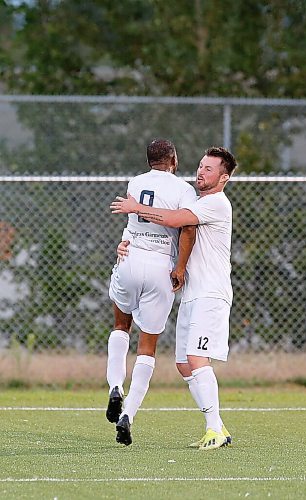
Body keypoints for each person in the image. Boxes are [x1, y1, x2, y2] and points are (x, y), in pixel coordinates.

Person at [111, 146, 237, 451]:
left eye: (209, 169)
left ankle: (213, 429)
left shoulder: (216, 204)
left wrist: (136, 207)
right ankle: (218, 426)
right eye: (201, 166)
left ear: (224, 177)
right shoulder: (198, 199)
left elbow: (174, 219)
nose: (201, 172)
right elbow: (165, 231)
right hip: (192, 295)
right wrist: (128, 243)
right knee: (183, 363)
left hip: (211, 294)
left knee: (196, 358)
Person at [106, 139, 197, 446]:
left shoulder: (135, 181)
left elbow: (131, 222)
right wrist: (180, 268)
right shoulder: (184, 189)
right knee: (147, 346)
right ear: (173, 159)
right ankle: (127, 415)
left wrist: (122, 244)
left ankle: (114, 387)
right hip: (160, 266)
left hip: (129, 258)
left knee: (121, 325)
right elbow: (187, 229)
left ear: (149, 161)